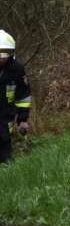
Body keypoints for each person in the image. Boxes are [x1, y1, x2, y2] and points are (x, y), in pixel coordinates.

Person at [0, 30, 31, 164]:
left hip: (5, 120)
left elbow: (23, 95)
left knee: (5, 159)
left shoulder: (17, 70)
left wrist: (23, 119)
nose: (2, 57)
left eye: (5, 52)